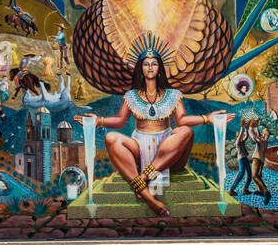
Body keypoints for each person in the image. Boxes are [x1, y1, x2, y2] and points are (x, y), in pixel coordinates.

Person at [74, 42, 233, 215]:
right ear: (140, 68)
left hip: (168, 152)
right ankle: (147, 195)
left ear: (160, 68)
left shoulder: (173, 94)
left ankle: (142, 179)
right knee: (111, 138)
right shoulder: (131, 95)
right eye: (146, 64)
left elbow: (182, 120)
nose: (150, 67)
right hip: (138, 149)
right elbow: (120, 121)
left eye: (154, 63)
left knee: (185, 131)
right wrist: (99, 120)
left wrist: (207, 118)